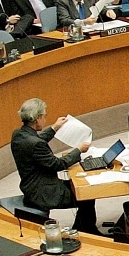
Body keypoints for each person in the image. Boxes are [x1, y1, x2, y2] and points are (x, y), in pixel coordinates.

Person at [10, 98, 97, 233]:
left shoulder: (19, 135)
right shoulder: (36, 144)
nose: (45, 119)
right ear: (38, 118)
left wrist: (54, 128)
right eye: (44, 116)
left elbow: (37, 140)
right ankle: (88, 231)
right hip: (43, 193)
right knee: (87, 192)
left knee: (82, 188)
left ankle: (81, 228)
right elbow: (58, 164)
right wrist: (78, 149)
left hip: (32, 187)